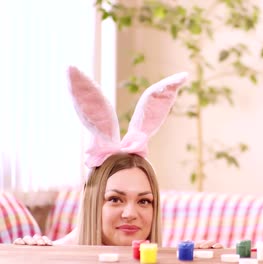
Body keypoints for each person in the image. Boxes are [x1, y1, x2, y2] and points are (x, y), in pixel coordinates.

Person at [13, 66, 221, 249]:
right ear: (93, 203)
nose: (130, 213)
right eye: (114, 199)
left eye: (144, 201)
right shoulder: (53, 254)